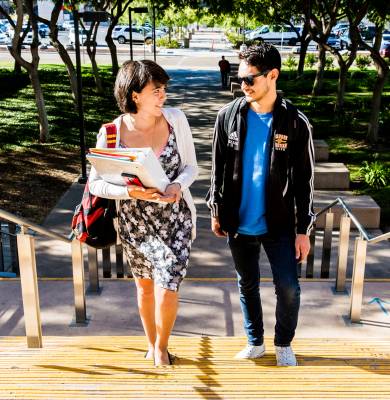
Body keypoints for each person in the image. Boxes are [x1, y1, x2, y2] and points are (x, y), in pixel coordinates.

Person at [206, 44, 315, 366]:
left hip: (280, 223)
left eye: (250, 79)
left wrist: (303, 230)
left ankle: (283, 342)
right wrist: (216, 210)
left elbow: (305, 181)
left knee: (289, 287)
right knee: (247, 284)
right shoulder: (229, 116)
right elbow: (217, 169)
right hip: (238, 221)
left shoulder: (295, 122)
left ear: (273, 75)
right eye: (240, 79)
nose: (243, 86)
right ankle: (255, 341)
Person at [89, 60, 198, 366]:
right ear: (135, 95)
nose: (163, 95)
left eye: (164, 88)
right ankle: (151, 343)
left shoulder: (176, 119)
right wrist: (130, 192)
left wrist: (178, 184)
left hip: (175, 217)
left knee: (168, 281)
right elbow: (96, 183)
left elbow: (192, 166)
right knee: (145, 286)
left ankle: (162, 348)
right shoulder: (111, 133)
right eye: (156, 90)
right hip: (134, 221)